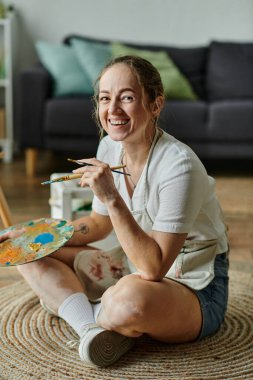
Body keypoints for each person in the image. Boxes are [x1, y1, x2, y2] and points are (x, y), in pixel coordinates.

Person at [2, 55, 229, 367]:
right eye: (106, 99)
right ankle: (93, 330)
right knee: (25, 252)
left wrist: (111, 197)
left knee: (127, 300)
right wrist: (39, 235)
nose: (113, 110)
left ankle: (81, 308)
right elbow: (98, 225)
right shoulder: (110, 146)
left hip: (195, 286)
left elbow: (153, 269)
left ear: (155, 105)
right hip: (134, 268)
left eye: (127, 98)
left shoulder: (179, 165)